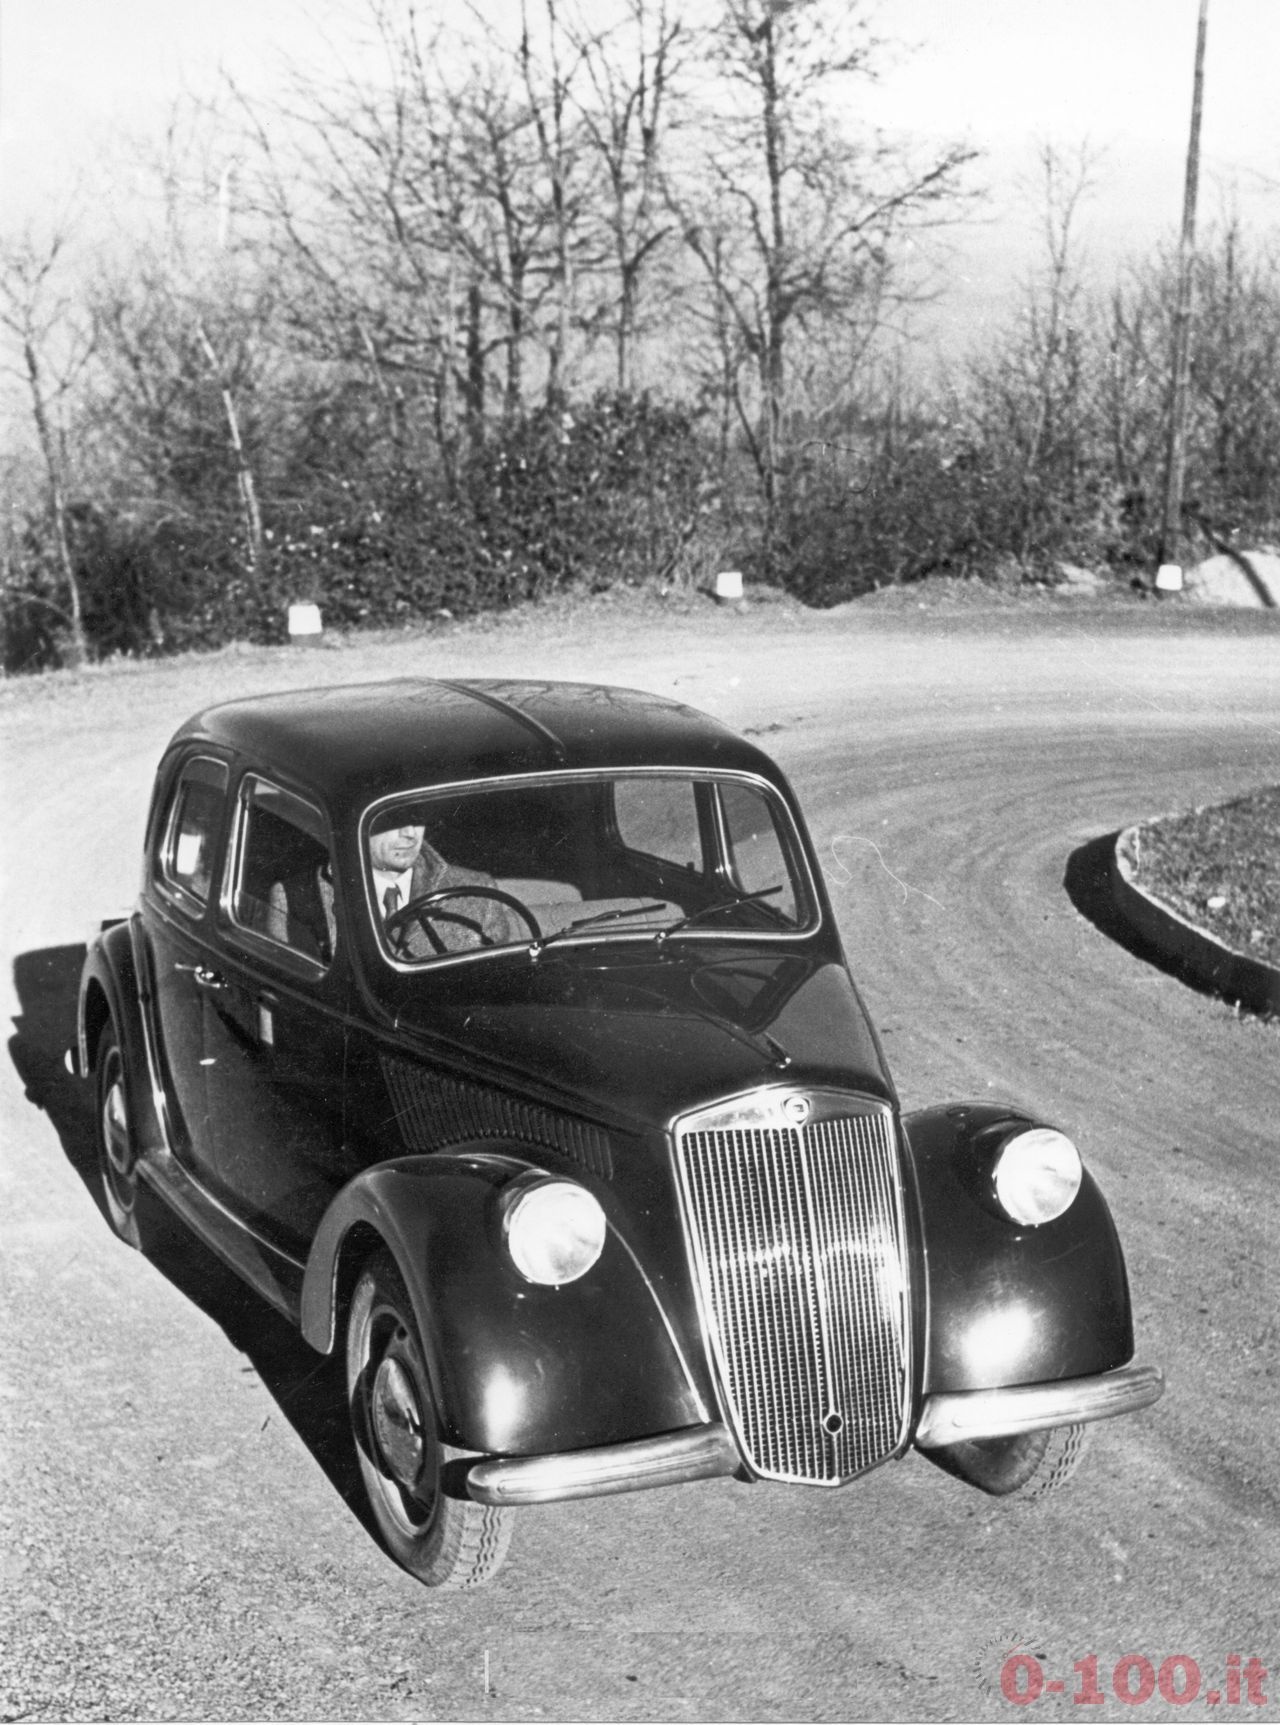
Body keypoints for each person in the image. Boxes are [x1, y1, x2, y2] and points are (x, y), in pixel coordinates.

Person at [267, 811, 517, 961]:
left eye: (417, 818)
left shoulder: (479, 890)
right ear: (356, 824)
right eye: (393, 818)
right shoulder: (296, 897)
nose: (410, 833)